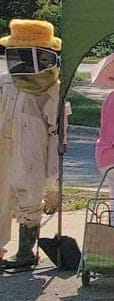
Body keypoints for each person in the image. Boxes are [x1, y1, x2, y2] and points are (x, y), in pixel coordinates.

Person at [0, 20, 64, 270]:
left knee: (29, 193)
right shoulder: (7, 80)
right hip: (6, 144)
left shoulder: (53, 87)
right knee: (2, 198)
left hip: (33, 146)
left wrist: (54, 182)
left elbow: (56, 131)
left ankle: (26, 253)